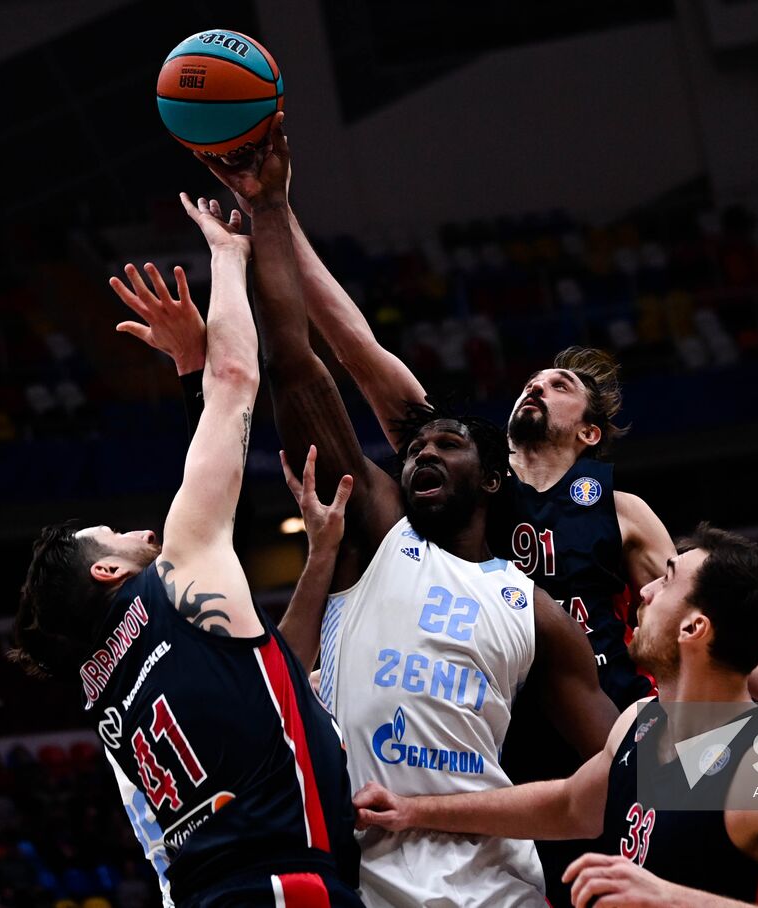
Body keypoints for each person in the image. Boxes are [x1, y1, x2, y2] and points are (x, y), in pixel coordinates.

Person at [201, 145, 758, 903]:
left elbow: (721, 623)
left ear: (590, 432)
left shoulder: (618, 514)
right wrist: (276, 212)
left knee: (699, 859)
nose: (537, 385)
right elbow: (351, 350)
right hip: (511, 767)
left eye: (561, 384)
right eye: (532, 378)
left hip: (611, 736)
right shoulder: (464, 485)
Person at [203, 116, 619, 908]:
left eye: (446, 445)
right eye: (414, 447)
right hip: (366, 886)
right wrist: (270, 209)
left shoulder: (536, 606)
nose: (423, 453)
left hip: (503, 889)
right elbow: (300, 361)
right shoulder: (380, 535)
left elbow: (624, 766)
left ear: (491, 479)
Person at [10, 193, 364, 908]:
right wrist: (227, 256)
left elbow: (264, 671)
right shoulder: (174, 579)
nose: (141, 532)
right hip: (279, 889)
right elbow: (235, 383)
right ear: (107, 571)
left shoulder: (104, 694)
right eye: (114, 535)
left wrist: (320, 559)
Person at [351, 525, 758, 908]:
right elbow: (568, 805)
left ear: (693, 628)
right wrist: (413, 809)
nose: (644, 591)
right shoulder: (641, 721)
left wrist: (672, 899)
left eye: (666, 581)